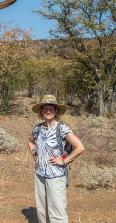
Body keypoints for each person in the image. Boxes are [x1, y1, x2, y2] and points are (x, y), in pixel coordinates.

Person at [27, 95, 85, 223]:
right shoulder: (38, 128)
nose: (48, 111)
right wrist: (34, 154)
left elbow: (80, 147)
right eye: (45, 109)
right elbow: (30, 142)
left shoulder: (62, 128)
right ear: (41, 111)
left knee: (57, 213)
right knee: (42, 212)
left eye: (51, 109)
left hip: (56, 176)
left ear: (56, 111)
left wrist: (63, 161)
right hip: (40, 175)